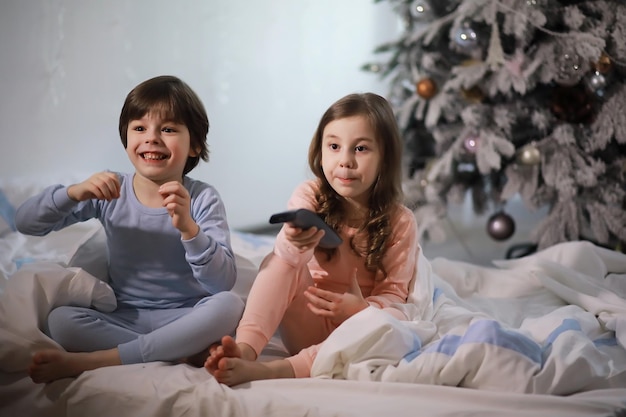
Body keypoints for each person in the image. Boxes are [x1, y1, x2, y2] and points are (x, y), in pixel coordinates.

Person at [15, 75, 244, 383]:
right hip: (125, 317)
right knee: (61, 321)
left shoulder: (202, 197)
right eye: (140, 128)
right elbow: (25, 223)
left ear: (195, 145)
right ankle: (177, 352)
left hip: (185, 316)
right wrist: (74, 193)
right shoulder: (110, 190)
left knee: (230, 305)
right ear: (126, 140)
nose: (152, 138)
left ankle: (99, 361)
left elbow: (222, 283)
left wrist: (189, 228)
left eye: (168, 129)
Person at [204, 92, 419, 386]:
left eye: (361, 149)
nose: (345, 161)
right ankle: (245, 350)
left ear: (386, 156)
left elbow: (395, 296)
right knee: (279, 259)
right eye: (334, 146)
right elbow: (288, 255)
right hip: (309, 319)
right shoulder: (311, 195)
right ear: (320, 151)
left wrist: (360, 310)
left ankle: (271, 371)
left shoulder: (400, 221)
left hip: (356, 333)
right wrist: (294, 241)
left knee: (392, 320)